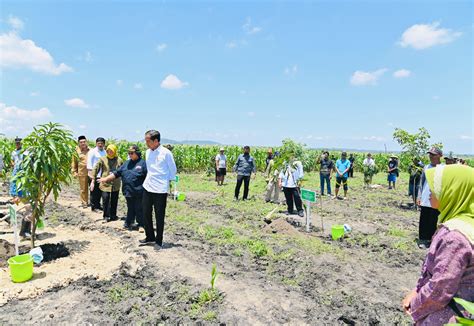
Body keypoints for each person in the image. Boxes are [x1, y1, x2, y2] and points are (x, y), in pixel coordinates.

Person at [402, 164, 474, 325]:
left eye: (437, 188)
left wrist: (415, 304)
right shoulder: (467, 224)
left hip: (448, 315)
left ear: (453, 191)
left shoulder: (454, 237)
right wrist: (417, 290)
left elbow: (440, 288)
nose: (430, 193)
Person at [139, 130, 177, 250]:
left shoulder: (166, 153)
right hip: (148, 186)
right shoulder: (147, 153)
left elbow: (173, 170)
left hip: (160, 189)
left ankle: (159, 240)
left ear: (156, 141)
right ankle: (149, 236)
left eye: (148, 141)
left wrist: (167, 182)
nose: (146, 143)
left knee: (159, 215)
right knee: (145, 212)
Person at [99, 145, 147, 231]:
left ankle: (141, 225)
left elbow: (148, 177)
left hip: (139, 191)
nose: (130, 155)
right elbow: (117, 173)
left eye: (132, 153)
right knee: (130, 207)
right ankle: (129, 223)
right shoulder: (127, 163)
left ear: (137, 153)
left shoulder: (143, 163)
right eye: (129, 153)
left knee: (139, 208)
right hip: (128, 190)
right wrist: (105, 179)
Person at [416, 147, 443, 249]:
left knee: (434, 220)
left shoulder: (443, 168)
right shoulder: (426, 167)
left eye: (433, 155)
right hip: (425, 197)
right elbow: (421, 183)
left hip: (437, 199)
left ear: (440, 156)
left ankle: (432, 240)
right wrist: (419, 196)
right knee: (424, 219)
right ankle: (423, 239)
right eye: (430, 154)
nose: (431, 156)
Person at [91, 144, 123, 222]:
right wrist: (93, 180)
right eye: (108, 151)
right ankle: (106, 216)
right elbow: (96, 168)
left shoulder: (119, 160)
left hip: (116, 183)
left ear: (114, 151)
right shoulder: (102, 159)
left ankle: (113, 215)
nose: (109, 152)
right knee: (105, 199)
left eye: (111, 151)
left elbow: (122, 170)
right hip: (105, 183)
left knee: (114, 200)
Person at [87, 137, 106, 212]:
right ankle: (94, 207)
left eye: (101, 143)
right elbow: (89, 163)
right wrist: (91, 175)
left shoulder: (105, 152)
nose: (100, 145)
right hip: (94, 174)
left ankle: (98, 205)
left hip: (102, 175)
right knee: (94, 191)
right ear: (96, 144)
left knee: (100, 191)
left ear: (104, 144)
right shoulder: (92, 152)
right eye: (99, 143)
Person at [71, 135, 90, 209]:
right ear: (78, 143)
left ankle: (94, 203)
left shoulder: (90, 150)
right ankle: (84, 203)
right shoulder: (76, 152)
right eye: (81, 142)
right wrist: (74, 172)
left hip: (91, 172)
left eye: (84, 142)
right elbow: (73, 163)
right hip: (82, 172)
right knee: (83, 189)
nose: (83, 143)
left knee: (93, 189)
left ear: (86, 142)